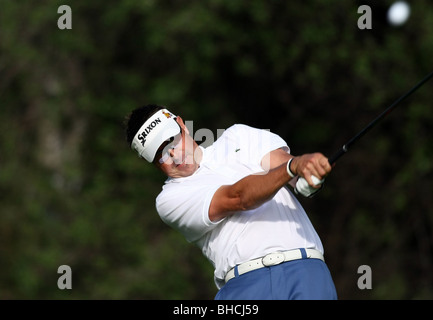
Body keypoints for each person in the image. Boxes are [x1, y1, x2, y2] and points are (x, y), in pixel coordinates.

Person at [125, 104, 337, 300]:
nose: (172, 153)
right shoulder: (169, 200)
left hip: (307, 271)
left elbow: (285, 167)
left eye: (172, 140)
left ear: (182, 124)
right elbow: (238, 197)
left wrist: (307, 175)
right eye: (159, 154)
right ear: (150, 161)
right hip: (245, 286)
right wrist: (293, 168)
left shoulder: (238, 136)